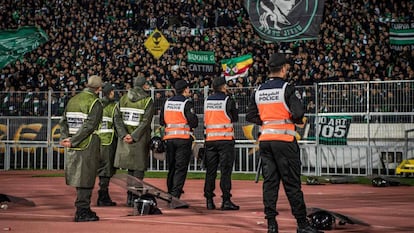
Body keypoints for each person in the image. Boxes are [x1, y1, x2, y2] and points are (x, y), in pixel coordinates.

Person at [246, 53, 322, 233]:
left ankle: (272, 225)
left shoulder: (258, 90)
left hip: (265, 141)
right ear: (284, 69)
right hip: (285, 141)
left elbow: (250, 115)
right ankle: (302, 224)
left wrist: (266, 121)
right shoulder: (287, 88)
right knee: (292, 184)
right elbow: (298, 113)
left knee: (270, 183)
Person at [59, 75, 103, 222]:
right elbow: (89, 126)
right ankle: (82, 210)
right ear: (99, 88)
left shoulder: (73, 100)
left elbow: (63, 121)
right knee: (86, 176)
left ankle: (82, 207)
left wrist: (66, 138)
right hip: (87, 144)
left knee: (79, 176)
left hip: (73, 144)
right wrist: (73, 141)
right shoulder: (95, 102)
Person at [113, 76, 154, 207]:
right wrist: (134, 136)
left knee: (130, 170)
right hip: (140, 140)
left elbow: (117, 118)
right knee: (138, 170)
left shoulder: (123, 98)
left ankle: (129, 198)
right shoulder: (147, 100)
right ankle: (136, 197)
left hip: (126, 139)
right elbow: (146, 122)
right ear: (143, 86)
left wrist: (124, 134)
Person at [203, 76, 239, 211]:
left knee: (210, 171)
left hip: (210, 140)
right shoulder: (228, 100)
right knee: (225, 171)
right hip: (225, 140)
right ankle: (226, 200)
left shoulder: (207, 100)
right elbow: (234, 118)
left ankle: (209, 200)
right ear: (224, 87)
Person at [159, 79, 198, 200]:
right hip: (183, 139)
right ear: (185, 89)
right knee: (181, 167)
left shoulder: (166, 103)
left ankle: (170, 191)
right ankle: (175, 195)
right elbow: (194, 122)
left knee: (172, 166)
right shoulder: (186, 103)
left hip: (169, 138)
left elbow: (161, 121)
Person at [96, 82, 120, 206]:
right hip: (108, 141)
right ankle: (103, 196)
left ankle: (102, 194)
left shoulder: (96, 104)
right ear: (110, 93)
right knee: (106, 169)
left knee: (99, 169)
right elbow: (118, 125)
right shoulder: (113, 107)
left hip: (96, 141)